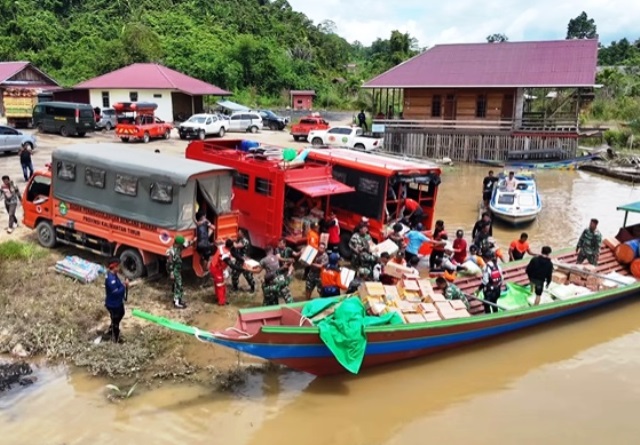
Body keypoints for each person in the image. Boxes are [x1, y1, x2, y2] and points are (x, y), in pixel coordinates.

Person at [104, 257, 128, 343]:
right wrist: (124, 286)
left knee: (122, 313)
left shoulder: (114, 275)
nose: (119, 268)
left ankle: (112, 328)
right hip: (113, 304)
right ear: (114, 267)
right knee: (116, 321)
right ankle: (115, 339)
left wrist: (122, 285)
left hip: (118, 302)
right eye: (118, 266)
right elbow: (116, 292)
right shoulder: (111, 279)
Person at [166, 235, 187, 308]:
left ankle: (179, 299)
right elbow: (170, 263)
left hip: (178, 269)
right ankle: (176, 303)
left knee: (179, 284)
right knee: (177, 285)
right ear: (177, 243)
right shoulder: (171, 251)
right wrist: (171, 272)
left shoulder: (178, 248)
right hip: (174, 270)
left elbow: (186, 245)